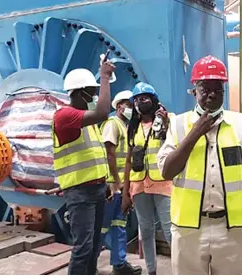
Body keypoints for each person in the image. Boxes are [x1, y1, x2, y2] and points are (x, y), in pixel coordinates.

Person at [157, 55, 242, 275]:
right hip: (188, 229)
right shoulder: (179, 125)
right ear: (194, 90)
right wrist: (195, 133)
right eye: (204, 88)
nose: (210, 94)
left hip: (230, 228)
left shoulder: (240, 124)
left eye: (217, 89)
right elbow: (167, 172)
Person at [52, 55, 115, 275]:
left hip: (95, 190)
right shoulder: (65, 116)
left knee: (94, 246)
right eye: (92, 90)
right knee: (83, 247)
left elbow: (94, 155)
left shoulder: (86, 121)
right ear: (79, 92)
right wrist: (104, 76)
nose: (95, 95)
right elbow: (103, 112)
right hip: (80, 193)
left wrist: (105, 182)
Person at [121, 82, 172, 275]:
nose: (141, 102)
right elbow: (127, 161)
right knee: (147, 229)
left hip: (163, 184)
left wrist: (165, 122)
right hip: (139, 186)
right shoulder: (132, 128)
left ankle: (181, 268)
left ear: (154, 100)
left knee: (169, 230)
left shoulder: (168, 121)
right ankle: (151, 271)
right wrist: (125, 192)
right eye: (137, 99)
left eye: (145, 98)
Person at [99, 90, 142, 275]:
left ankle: (119, 263)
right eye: (128, 105)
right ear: (119, 106)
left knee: (119, 224)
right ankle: (88, 260)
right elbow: (109, 153)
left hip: (122, 186)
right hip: (111, 186)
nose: (131, 108)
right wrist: (116, 182)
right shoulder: (112, 124)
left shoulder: (126, 126)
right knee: (102, 226)